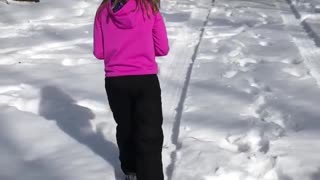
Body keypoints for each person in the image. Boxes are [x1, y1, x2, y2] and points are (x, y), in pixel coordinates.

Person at [93, 0, 169, 179]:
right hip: (145, 80)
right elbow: (163, 48)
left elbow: (99, 52)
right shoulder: (150, 9)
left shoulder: (103, 11)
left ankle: (131, 171)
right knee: (149, 131)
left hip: (115, 81)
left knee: (126, 127)